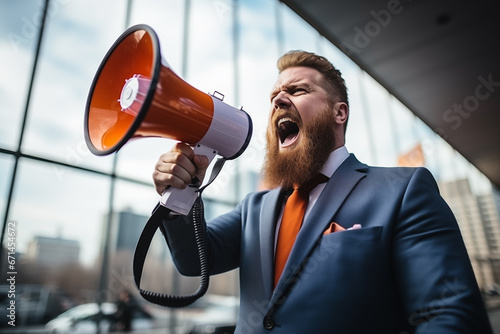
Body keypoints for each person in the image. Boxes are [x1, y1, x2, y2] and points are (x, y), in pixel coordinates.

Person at [152, 50, 493, 333]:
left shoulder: (402, 190)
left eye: (297, 90)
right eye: (273, 97)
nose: (278, 100)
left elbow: (450, 316)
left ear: (339, 112)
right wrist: (180, 193)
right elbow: (194, 261)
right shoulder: (253, 207)